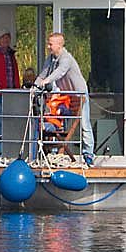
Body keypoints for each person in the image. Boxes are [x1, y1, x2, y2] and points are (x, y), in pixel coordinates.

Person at [32, 32, 91, 164]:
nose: (48, 46)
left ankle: (88, 155)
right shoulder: (51, 59)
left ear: (59, 45)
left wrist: (46, 81)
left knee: (85, 125)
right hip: (67, 95)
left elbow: (60, 72)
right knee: (55, 119)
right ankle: (48, 154)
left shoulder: (66, 58)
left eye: (50, 44)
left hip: (79, 94)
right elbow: (42, 75)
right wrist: (34, 88)